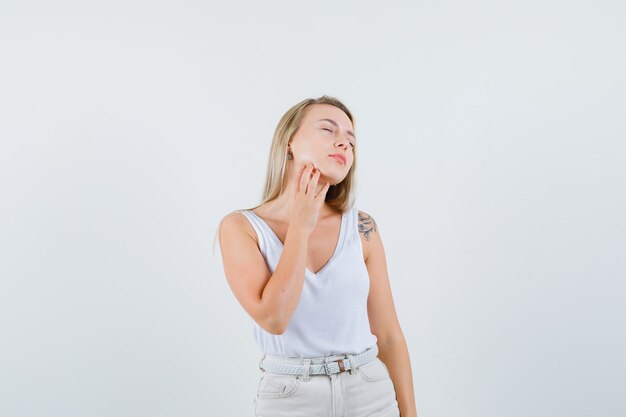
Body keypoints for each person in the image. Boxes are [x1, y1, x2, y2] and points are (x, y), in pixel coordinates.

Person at [216, 95, 418, 417]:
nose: (344, 144)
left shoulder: (362, 227)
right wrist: (300, 226)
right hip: (290, 397)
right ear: (289, 142)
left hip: (370, 392)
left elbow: (390, 336)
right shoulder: (242, 228)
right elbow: (274, 318)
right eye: (329, 130)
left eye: (351, 141)